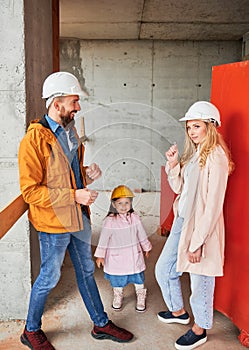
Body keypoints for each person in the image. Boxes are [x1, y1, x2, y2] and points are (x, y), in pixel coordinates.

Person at [18, 72, 133, 350]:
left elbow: (66, 174)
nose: (78, 107)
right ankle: (30, 330)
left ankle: (100, 323)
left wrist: (86, 175)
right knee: (50, 276)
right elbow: (30, 191)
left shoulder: (70, 133)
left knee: (85, 271)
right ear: (57, 104)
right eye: (73, 101)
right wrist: (74, 194)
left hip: (78, 217)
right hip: (54, 224)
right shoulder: (33, 142)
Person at [155, 101, 234, 350]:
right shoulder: (197, 153)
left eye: (196, 126)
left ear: (210, 126)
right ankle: (179, 312)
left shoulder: (216, 157)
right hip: (182, 221)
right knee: (164, 269)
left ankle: (200, 329)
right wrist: (173, 164)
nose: (191, 131)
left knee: (201, 281)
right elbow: (181, 189)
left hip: (202, 228)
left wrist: (198, 241)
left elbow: (212, 205)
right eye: (189, 127)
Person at [94, 185, 152, 312]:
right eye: (120, 203)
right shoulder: (109, 221)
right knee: (118, 279)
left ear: (131, 203)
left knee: (138, 277)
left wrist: (146, 247)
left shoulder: (135, 218)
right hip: (117, 258)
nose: (123, 206)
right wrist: (100, 255)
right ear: (113, 205)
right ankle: (118, 295)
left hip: (134, 256)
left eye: (127, 202)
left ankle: (141, 294)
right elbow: (104, 239)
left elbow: (141, 234)